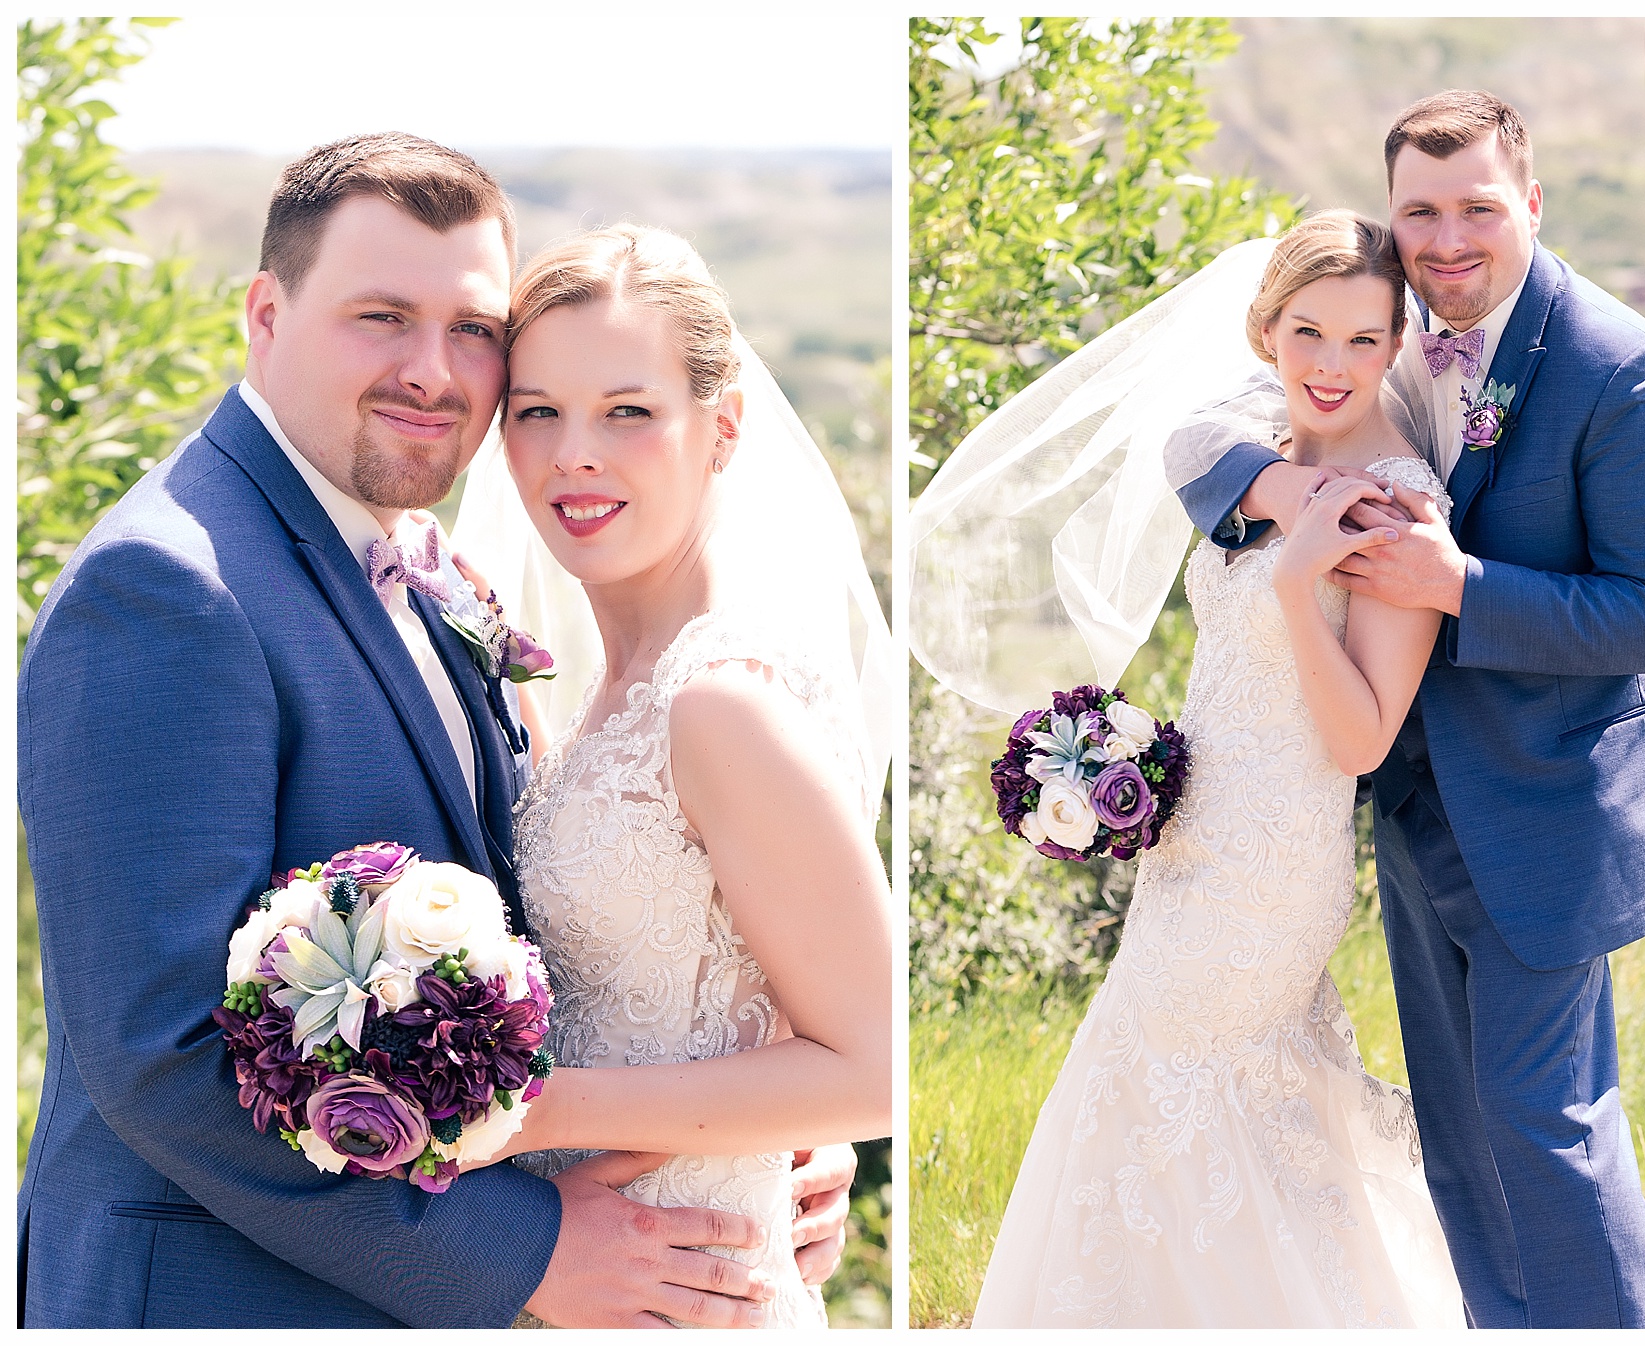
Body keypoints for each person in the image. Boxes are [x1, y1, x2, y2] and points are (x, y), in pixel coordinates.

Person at [17, 133, 858, 1329]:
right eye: (379, 316)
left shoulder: (424, 568)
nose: (432, 369)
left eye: (471, 329)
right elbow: (164, 1052)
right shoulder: (169, 587)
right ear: (265, 312)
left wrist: (750, 1137)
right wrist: (524, 1252)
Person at [1169, 92, 1645, 1328]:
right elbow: (1200, 437)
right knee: (1458, 1133)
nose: (1449, 235)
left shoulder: (1622, 366)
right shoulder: (1390, 331)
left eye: (1477, 206)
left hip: (1549, 806)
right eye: (1421, 210)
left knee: (1544, 1131)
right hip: (1416, 802)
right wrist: (1295, 492)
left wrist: (1458, 585)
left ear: (1532, 200)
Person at [932, 211, 1467, 1328]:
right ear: (1266, 330)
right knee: (1161, 1079)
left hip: (1274, 868)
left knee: (1179, 1079)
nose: (1333, 364)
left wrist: (1292, 588)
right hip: (1191, 841)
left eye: (1365, 341)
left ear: (1397, 345)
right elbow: (1184, 449)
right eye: (1309, 332)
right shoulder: (1255, 449)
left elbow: (1364, 735)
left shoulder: (1401, 502)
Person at [448, 224, 894, 1330]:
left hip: (701, 1288)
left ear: (723, 426)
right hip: (609, 1271)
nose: (573, 454)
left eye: (628, 410)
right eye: (538, 410)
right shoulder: (606, 693)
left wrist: (530, 1112)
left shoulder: (719, 702)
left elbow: (874, 1066)